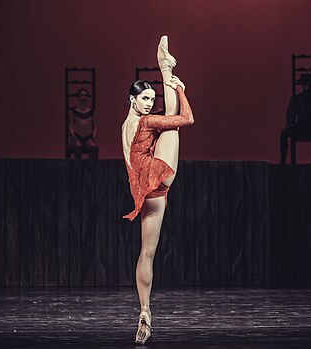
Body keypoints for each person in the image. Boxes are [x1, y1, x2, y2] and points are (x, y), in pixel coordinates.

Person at [121, 35, 194, 344]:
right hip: (156, 176)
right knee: (174, 124)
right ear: (132, 100)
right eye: (145, 99)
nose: (149, 104)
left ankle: (144, 310)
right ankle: (165, 69)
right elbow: (188, 118)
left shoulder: (127, 125)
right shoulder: (148, 123)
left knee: (147, 252)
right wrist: (178, 87)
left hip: (145, 190)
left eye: (152, 99)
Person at [279, 73, 311, 164]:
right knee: (284, 133)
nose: (305, 85)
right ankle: (283, 161)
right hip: (299, 127)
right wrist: (290, 125)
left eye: (307, 83)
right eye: (304, 83)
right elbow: (290, 115)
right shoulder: (296, 98)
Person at [68, 88, 98, 159]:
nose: (83, 97)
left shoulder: (91, 112)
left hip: (88, 137)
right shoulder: (74, 112)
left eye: (85, 95)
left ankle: (89, 167)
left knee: (92, 147)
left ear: (87, 97)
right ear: (78, 97)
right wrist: (73, 135)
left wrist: (93, 136)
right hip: (77, 136)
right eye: (81, 95)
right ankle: (78, 167)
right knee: (77, 146)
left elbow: (95, 125)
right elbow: (70, 125)